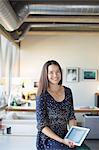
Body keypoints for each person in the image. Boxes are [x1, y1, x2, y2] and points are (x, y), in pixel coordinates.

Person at [36, 60, 77, 150]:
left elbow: (71, 117)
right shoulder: (42, 94)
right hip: (48, 139)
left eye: (57, 72)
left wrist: (73, 136)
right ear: (45, 75)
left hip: (65, 135)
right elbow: (42, 125)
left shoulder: (68, 91)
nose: (55, 75)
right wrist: (62, 141)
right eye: (51, 72)